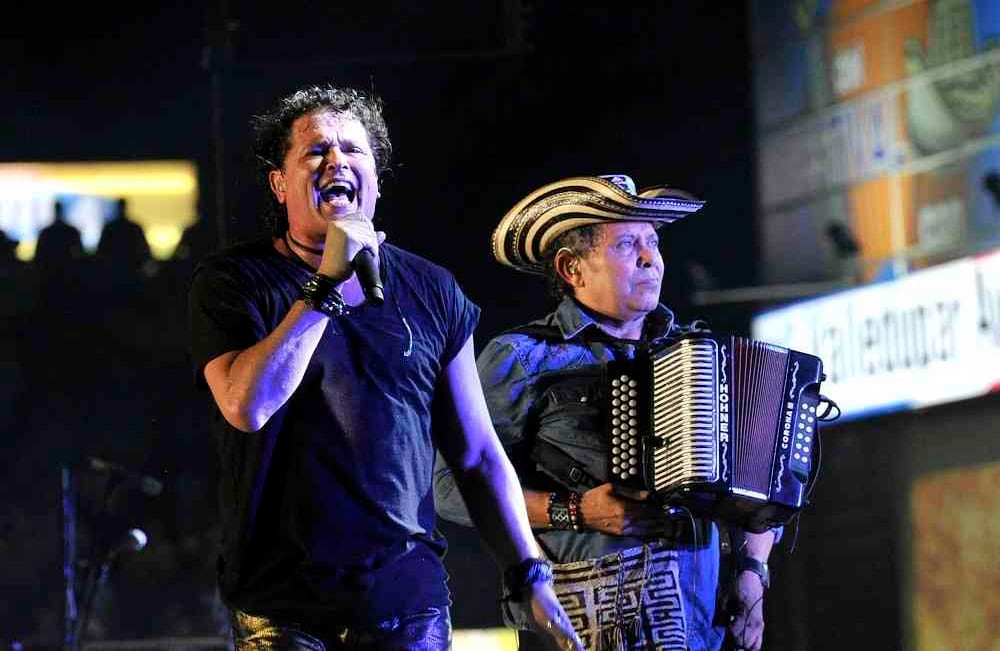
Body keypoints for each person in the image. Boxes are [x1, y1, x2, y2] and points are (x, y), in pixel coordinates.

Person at [187, 84, 582, 651]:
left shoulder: (431, 288)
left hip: (407, 604)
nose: (337, 161)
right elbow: (246, 406)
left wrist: (529, 571)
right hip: (282, 610)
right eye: (316, 151)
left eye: (354, 150)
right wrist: (326, 285)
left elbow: (475, 453)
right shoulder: (235, 281)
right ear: (279, 183)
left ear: (375, 177)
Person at [434, 175, 777, 651]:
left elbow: (759, 486)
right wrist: (576, 511)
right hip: (577, 624)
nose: (649, 258)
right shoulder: (522, 357)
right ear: (572, 268)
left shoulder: (699, 357)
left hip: (701, 623)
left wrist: (752, 575)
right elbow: (451, 488)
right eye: (627, 244)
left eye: (653, 242)